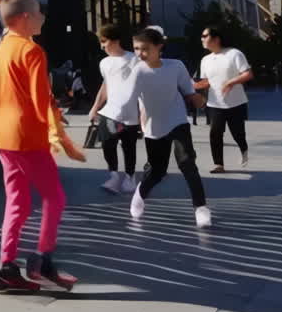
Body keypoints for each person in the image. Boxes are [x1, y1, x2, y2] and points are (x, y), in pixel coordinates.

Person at [0, 0, 74, 292]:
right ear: (24, 19)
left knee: (17, 202)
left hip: (4, 136)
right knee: (55, 198)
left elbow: (2, 83)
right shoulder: (32, 51)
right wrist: (57, 131)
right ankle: (42, 261)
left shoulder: (3, 48)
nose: (43, 17)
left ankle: (6, 268)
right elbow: (40, 99)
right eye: (39, 13)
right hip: (28, 137)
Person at [127, 27, 211, 227]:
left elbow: (188, 90)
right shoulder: (137, 70)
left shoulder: (176, 66)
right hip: (153, 125)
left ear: (159, 47)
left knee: (187, 163)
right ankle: (139, 195)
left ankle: (201, 208)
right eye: (136, 49)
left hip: (178, 121)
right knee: (157, 171)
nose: (140, 53)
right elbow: (128, 98)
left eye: (145, 49)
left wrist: (198, 100)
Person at [88, 24, 140, 195]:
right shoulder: (104, 63)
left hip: (131, 114)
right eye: (100, 42)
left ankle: (130, 177)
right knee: (108, 143)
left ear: (116, 40)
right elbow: (106, 86)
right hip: (110, 113)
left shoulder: (134, 60)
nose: (102, 46)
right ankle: (114, 176)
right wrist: (95, 107)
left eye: (104, 41)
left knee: (128, 146)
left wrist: (145, 112)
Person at [197, 26, 253, 173]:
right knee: (215, 133)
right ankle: (218, 164)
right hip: (215, 104)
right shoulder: (205, 60)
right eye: (202, 36)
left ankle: (243, 148)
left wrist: (230, 82)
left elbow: (248, 74)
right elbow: (206, 82)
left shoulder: (234, 54)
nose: (202, 39)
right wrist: (192, 85)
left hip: (236, 103)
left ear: (216, 39)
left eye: (205, 36)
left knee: (237, 133)